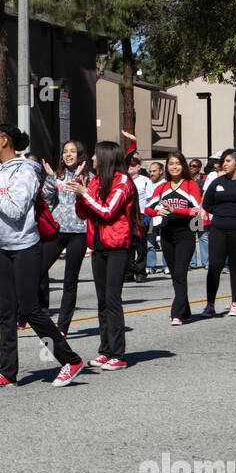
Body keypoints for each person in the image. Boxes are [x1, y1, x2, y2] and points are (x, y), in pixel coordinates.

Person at [0, 124, 83, 388]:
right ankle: (7, 371)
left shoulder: (27, 171)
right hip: (0, 247)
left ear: (5, 141)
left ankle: (70, 360)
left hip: (26, 248)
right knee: (6, 312)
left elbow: (17, 210)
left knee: (30, 310)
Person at [72, 141, 136, 370]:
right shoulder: (96, 181)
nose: (92, 159)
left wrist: (86, 193)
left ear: (107, 158)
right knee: (101, 301)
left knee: (112, 300)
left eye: (96, 156)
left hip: (117, 246)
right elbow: (83, 213)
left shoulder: (124, 181)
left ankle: (118, 354)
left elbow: (108, 211)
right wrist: (81, 193)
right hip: (98, 245)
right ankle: (105, 350)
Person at [39, 140, 91, 336]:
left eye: (72, 151)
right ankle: (28, 313)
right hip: (58, 230)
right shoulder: (57, 175)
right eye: (65, 151)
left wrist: (80, 183)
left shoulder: (90, 177)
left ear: (80, 154)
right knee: (37, 270)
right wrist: (51, 179)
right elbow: (45, 198)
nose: (68, 154)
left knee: (70, 281)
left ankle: (63, 327)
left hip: (79, 232)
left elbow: (89, 202)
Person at [143, 152, 201, 325]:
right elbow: (147, 209)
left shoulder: (191, 185)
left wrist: (175, 210)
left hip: (185, 234)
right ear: (166, 168)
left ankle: (176, 313)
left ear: (183, 166)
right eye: (171, 164)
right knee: (175, 275)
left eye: (177, 163)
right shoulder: (162, 187)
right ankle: (186, 310)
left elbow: (196, 211)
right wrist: (157, 212)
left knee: (181, 273)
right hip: (167, 234)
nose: (174, 166)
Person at [201, 148, 236, 317]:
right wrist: (220, 214)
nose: (224, 165)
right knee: (214, 266)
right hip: (219, 227)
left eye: (228, 161)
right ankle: (210, 304)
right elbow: (207, 203)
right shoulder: (218, 182)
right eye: (223, 162)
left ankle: (235, 303)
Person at [126, 154, 152, 283]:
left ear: (139, 167)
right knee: (128, 244)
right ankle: (129, 272)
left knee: (141, 244)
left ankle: (141, 271)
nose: (130, 168)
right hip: (126, 216)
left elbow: (151, 199)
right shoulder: (124, 180)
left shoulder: (145, 181)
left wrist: (148, 215)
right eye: (129, 165)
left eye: (133, 165)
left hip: (141, 215)